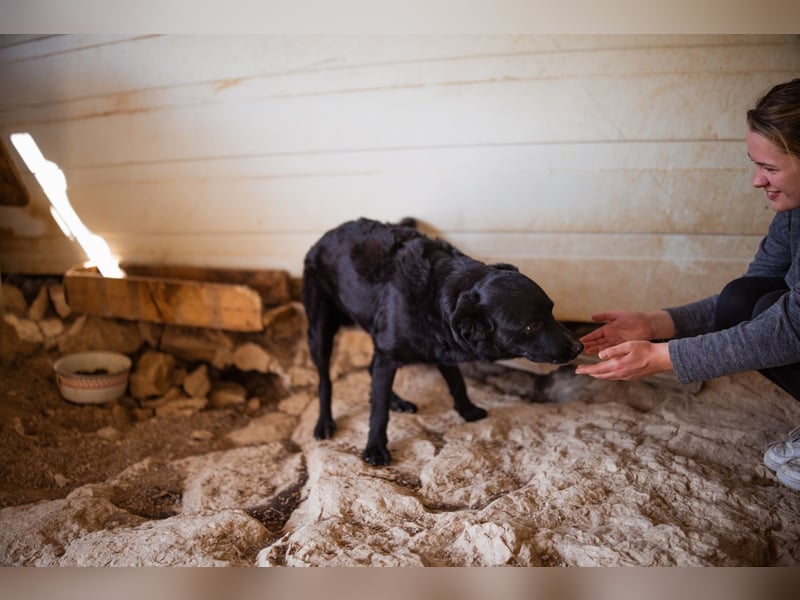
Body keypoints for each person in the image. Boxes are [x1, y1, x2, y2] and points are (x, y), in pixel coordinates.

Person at [574, 78, 800, 492]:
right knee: (746, 298)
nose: (756, 181)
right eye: (756, 164)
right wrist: (657, 324)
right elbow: (751, 289)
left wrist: (664, 358)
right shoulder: (793, 212)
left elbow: (792, 329)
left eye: (769, 168)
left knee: (770, 310)